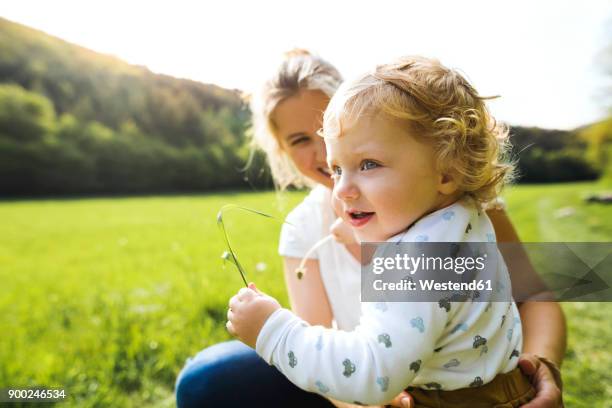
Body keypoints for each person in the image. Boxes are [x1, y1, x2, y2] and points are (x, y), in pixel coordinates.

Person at [175, 50, 566, 408]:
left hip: (424, 387)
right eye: (301, 140)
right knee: (209, 379)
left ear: (446, 168)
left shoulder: (446, 222)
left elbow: (533, 294)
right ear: (282, 151)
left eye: (368, 161)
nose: (331, 168)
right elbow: (325, 374)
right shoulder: (455, 213)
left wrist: (273, 330)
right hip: (375, 392)